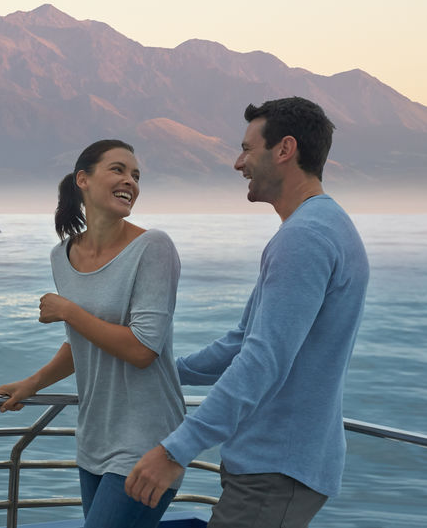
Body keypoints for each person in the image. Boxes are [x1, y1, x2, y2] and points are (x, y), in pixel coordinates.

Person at [125, 97, 369, 528]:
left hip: (276, 469)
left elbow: (263, 360)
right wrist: (165, 369)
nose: (239, 163)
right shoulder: (319, 226)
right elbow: (242, 341)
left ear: (284, 150)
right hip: (278, 463)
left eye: (247, 149)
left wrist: (175, 450)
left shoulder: (305, 238)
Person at [0, 139, 185, 528]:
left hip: (149, 440)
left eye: (136, 175)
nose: (130, 180)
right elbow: (82, 343)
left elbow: (143, 349)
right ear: (83, 179)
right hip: (94, 436)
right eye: (118, 169)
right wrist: (33, 383)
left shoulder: (153, 247)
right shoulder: (60, 257)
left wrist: (68, 311)